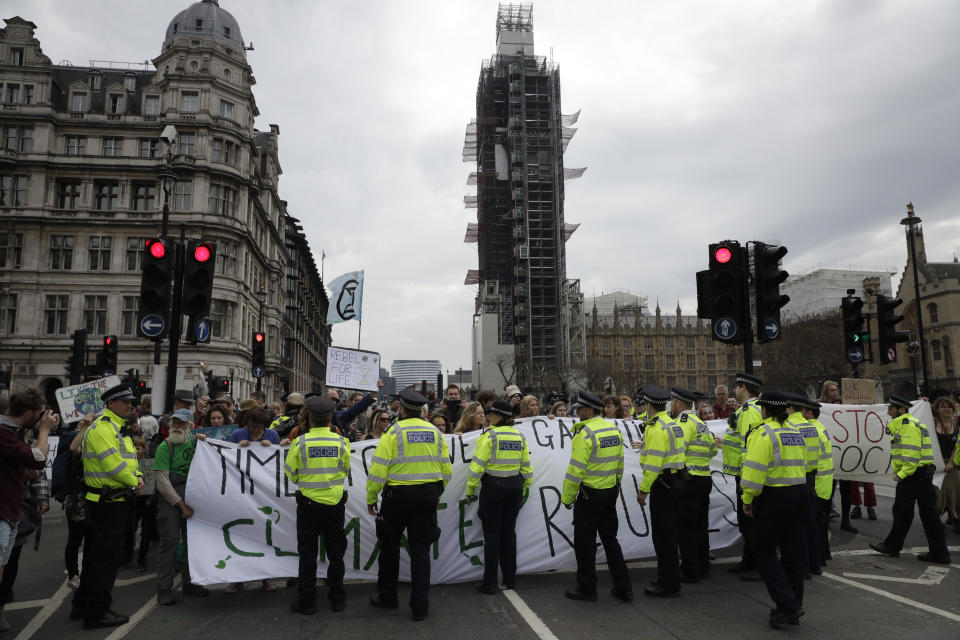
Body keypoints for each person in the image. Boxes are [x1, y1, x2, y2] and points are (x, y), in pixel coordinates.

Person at [366, 389, 451, 621]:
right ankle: (420, 607)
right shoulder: (435, 432)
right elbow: (446, 469)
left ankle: (388, 597)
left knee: (390, 548)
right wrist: (437, 493)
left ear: (402, 409)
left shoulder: (393, 432)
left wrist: (371, 497)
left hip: (397, 498)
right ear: (422, 411)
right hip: (426, 496)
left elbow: (378, 470)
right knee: (421, 551)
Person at [71, 384, 141, 630]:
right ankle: (97, 613)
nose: (130, 406)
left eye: (131, 402)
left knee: (95, 558)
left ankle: (82, 605)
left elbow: (129, 459)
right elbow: (114, 466)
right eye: (126, 402)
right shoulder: (103, 428)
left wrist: (138, 475)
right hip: (108, 502)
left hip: (112, 500)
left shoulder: (117, 427)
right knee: (105, 561)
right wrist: (135, 482)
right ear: (111, 403)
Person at [741, 391, 808, 628]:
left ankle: (788, 605)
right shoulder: (795, 431)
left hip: (774, 497)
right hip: (799, 493)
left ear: (765, 410)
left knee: (764, 551)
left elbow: (754, 470)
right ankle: (792, 606)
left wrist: (747, 498)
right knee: (792, 554)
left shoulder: (763, 432)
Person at [561, 391, 632, 602]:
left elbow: (575, 471)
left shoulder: (585, 434)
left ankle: (587, 588)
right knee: (611, 541)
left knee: (585, 544)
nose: (577, 412)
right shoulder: (613, 428)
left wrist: (567, 498)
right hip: (609, 492)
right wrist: (615, 486)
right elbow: (620, 462)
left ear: (589, 410)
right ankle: (623, 587)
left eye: (580, 409)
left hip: (589, 496)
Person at [286, 396, 350, 615]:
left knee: (307, 554)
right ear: (331, 417)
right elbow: (346, 470)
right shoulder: (341, 442)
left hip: (309, 505)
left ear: (310, 417)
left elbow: (291, 475)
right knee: (336, 555)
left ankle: (307, 602)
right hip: (334, 505)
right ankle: (337, 598)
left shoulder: (300, 443)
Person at [870, 395, 950, 564]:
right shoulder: (909, 425)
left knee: (902, 512)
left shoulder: (908, 427)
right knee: (929, 514)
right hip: (921, 475)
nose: (889, 412)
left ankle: (892, 546)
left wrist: (901, 474)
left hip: (913, 476)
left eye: (891, 409)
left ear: (901, 409)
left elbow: (911, 455)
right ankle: (939, 553)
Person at [0, 390, 55, 631]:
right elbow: (38, 457)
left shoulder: (14, 433)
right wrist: (44, 431)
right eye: (41, 414)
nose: (43, 418)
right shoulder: (3, 432)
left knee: (4, 568)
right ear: (31, 413)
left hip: (10, 513)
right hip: (1, 513)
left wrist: (23, 474)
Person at [465, 400, 533, 593]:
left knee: (492, 536)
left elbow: (477, 467)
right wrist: (526, 487)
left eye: (492, 414)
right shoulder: (520, 436)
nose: (489, 416)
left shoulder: (490, 436)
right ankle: (510, 579)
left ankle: (490, 583)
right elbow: (526, 466)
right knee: (509, 534)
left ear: (501, 416)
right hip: (514, 487)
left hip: (493, 488)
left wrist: (470, 490)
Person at [153, 409, 209, 605]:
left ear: (190, 426)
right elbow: (162, 482)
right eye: (174, 422)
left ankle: (190, 583)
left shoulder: (198, 443)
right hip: (171, 500)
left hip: (193, 496)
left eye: (181, 423)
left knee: (192, 543)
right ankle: (164, 589)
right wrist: (182, 505)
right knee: (169, 543)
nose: (176, 426)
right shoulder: (164, 447)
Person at [636, 386, 686, 597]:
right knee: (670, 535)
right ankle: (668, 577)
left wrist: (643, 490)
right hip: (677, 480)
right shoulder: (673, 424)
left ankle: (668, 583)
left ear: (648, 405)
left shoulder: (656, 428)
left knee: (664, 538)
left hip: (663, 484)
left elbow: (653, 463)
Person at [672, 386, 716, 583]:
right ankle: (703, 566)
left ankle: (690, 570)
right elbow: (713, 449)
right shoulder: (700, 422)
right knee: (701, 525)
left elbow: (677, 449)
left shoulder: (683, 422)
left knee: (686, 527)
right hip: (704, 478)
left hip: (688, 479)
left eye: (672, 401)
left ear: (678, 402)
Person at [723, 373, 764, 579]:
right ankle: (749, 560)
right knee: (748, 522)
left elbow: (749, 447)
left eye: (737, 387)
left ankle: (757, 564)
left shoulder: (748, 411)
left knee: (750, 522)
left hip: (747, 473)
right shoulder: (754, 409)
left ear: (744, 388)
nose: (734, 391)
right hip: (748, 472)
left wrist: (746, 480)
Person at [785, 394, 825, 576]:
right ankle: (814, 564)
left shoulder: (790, 427)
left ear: (789, 408)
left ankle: (801, 567)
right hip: (810, 478)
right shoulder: (811, 427)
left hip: (795, 479)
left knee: (795, 526)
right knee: (811, 523)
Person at [799, 397, 834, 568]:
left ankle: (818, 557)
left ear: (809, 413)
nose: (801, 414)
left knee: (814, 524)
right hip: (825, 483)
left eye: (803, 411)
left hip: (817, 483)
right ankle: (824, 553)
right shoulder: (821, 428)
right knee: (822, 521)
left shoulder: (810, 430)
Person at [122, 436, 155, 573]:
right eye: (133, 448)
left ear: (144, 449)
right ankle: (127, 558)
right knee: (130, 531)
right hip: (133, 501)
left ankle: (142, 560)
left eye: (138, 448)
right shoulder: (126, 463)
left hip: (148, 502)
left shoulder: (150, 463)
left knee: (146, 533)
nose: (136, 451)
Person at [936, 396, 960, 533]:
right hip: (937, 466)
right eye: (943, 406)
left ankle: (956, 517)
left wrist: (951, 461)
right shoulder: (931, 423)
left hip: (954, 465)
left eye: (949, 407)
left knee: (957, 493)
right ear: (937, 410)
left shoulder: (956, 425)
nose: (947, 409)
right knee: (937, 495)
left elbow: (958, 446)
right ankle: (936, 520)